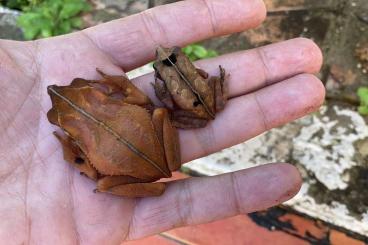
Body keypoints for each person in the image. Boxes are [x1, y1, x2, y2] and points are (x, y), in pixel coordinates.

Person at [0, 0, 324, 243]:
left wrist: (70, 148)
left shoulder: (74, 137)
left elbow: (83, 159)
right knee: (147, 124)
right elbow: (139, 101)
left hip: (146, 156)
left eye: (85, 90)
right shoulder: (98, 112)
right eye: (61, 120)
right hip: (143, 156)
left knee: (107, 174)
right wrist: (114, 88)